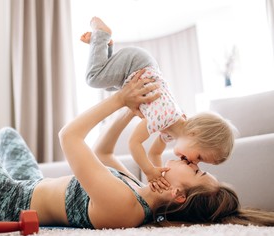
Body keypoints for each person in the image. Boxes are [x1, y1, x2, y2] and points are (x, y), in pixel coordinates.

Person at [0, 71, 273, 229]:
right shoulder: (135, 192)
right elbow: (104, 152)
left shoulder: (123, 206)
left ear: (178, 193)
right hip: (30, 183)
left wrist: (120, 99)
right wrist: (139, 112)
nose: (193, 162)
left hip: (6, 200)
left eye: (200, 170)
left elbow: (70, 137)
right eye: (201, 162)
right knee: (5, 134)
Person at [81, 17, 236, 192]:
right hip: (137, 65)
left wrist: (160, 177)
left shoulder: (170, 133)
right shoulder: (166, 117)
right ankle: (101, 34)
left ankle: (106, 46)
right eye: (199, 157)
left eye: (199, 163)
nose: (194, 163)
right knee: (93, 78)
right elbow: (134, 143)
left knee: (108, 84)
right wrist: (149, 172)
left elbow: (155, 153)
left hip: (135, 71)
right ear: (195, 133)